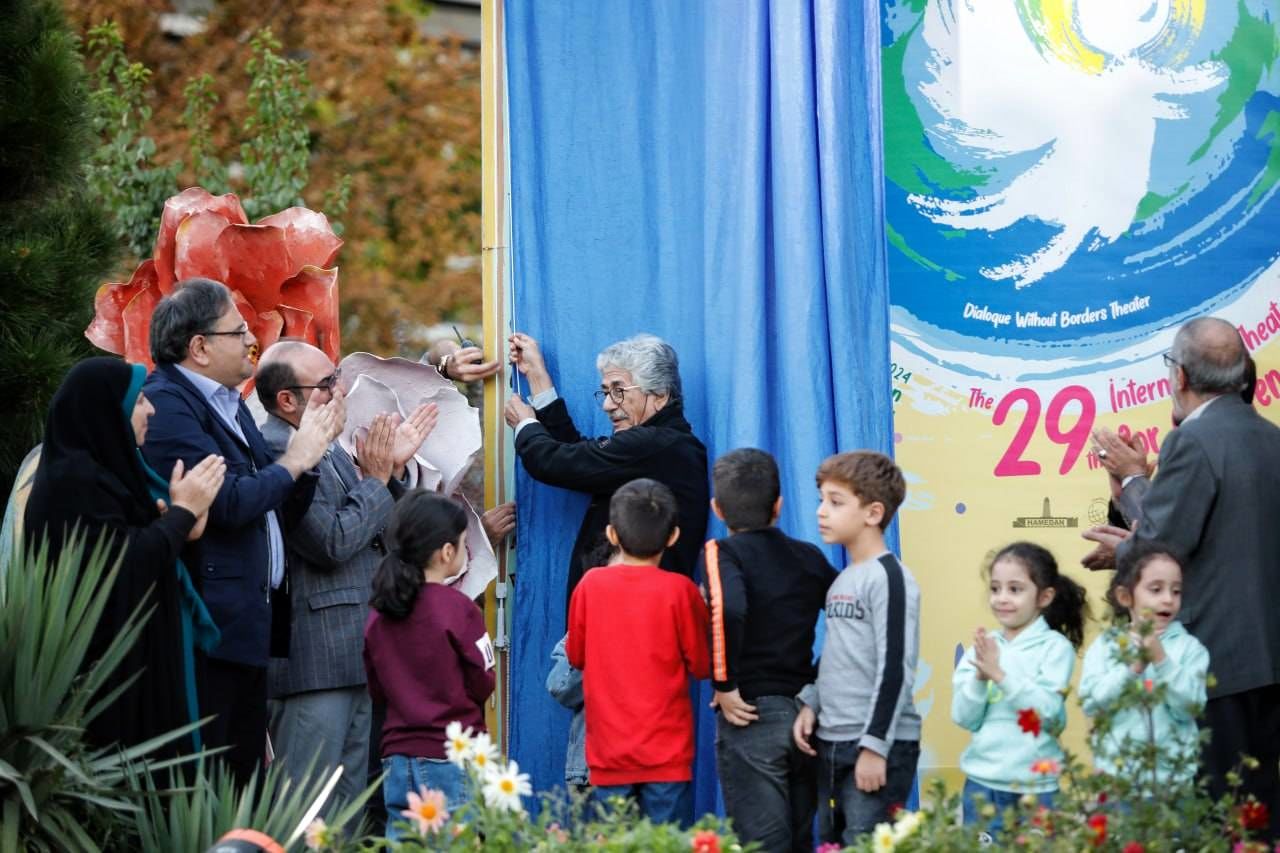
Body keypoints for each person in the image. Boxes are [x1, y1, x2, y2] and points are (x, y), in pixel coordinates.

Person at [1082, 318, 1280, 839]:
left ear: (1180, 375)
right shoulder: (1271, 439)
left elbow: (1161, 546)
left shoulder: (1191, 441)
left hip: (1217, 668)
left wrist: (1130, 481)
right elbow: (1225, 540)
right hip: (1268, 664)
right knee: (1258, 824)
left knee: (1217, 824)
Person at [141, 278, 341, 784]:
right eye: (239, 331)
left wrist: (306, 459)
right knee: (210, 786)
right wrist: (295, 460)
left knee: (245, 786)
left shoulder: (228, 401)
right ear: (200, 347)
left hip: (248, 628)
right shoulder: (168, 405)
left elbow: (273, 512)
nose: (253, 339)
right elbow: (225, 504)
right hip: (208, 629)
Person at [255, 341, 437, 810]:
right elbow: (332, 542)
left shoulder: (327, 442)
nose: (340, 390)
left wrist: (392, 471)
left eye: (337, 376)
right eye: (326, 384)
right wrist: (375, 480)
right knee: (310, 809)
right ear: (287, 401)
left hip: (354, 648)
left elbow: (372, 529)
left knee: (351, 804)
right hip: (313, 659)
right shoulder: (280, 448)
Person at [23, 357, 226, 754]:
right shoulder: (74, 481)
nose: (150, 409)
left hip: (140, 662)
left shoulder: (110, 474)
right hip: (106, 680)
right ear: (105, 413)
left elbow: (142, 548)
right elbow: (119, 565)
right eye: (138, 402)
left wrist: (182, 529)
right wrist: (182, 514)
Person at [504, 332, 709, 608]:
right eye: (606, 391)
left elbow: (555, 462)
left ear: (660, 394)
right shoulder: (659, 445)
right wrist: (537, 377)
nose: (607, 404)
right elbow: (578, 457)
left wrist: (526, 425)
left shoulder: (655, 444)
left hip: (629, 626)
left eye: (619, 391)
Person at [702, 448, 835, 853]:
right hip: (805, 720)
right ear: (779, 505)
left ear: (717, 509)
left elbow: (731, 608)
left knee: (762, 844)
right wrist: (818, 681)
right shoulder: (809, 556)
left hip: (752, 716)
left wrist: (724, 684)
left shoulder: (720, 553)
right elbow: (851, 617)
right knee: (797, 841)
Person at [792, 451, 920, 846]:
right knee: (834, 841)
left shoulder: (890, 578)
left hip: (875, 743)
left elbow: (896, 667)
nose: (821, 512)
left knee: (866, 842)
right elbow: (836, 655)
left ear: (873, 512)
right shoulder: (844, 578)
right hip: (832, 738)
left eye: (835, 501)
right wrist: (812, 703)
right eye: (821, 500)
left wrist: (874, 747)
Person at [566, 479, 710, 826]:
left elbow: (575, 657)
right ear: (673, 536)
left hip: (607, 752)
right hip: (668, 754)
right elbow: (702, 664)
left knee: (613, 842)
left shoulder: (590, 586)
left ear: (612, 535)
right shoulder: (682, 591)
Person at [363, 490, 496, 838]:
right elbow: (484, 681)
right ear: (447, 552)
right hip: (452, 753)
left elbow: (377, 689)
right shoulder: (460, 608)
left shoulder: (380, 613)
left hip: (396, 756)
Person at [951, 542, 1087, 843]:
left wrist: (999, 674)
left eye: (1015, 589)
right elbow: (964, 717)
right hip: (981, 784)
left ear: (1044, 597)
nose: (1002, 599)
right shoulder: (983, 648)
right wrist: (978, 676)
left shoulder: (1054, 648)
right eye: (996, 588)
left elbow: (1047, 710)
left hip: (1035, 788)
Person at [1079, 541, 1208, 788]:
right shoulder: (1107, 645)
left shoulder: (1190, 649)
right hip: (1117, 781)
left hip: (1172, 784)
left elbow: (1190, 708)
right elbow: (1091, 704)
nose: (1168, 599)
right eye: (1156, 589)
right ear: (1125, 596)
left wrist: (1162, 661)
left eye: (1176, 591)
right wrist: (1131, 669)